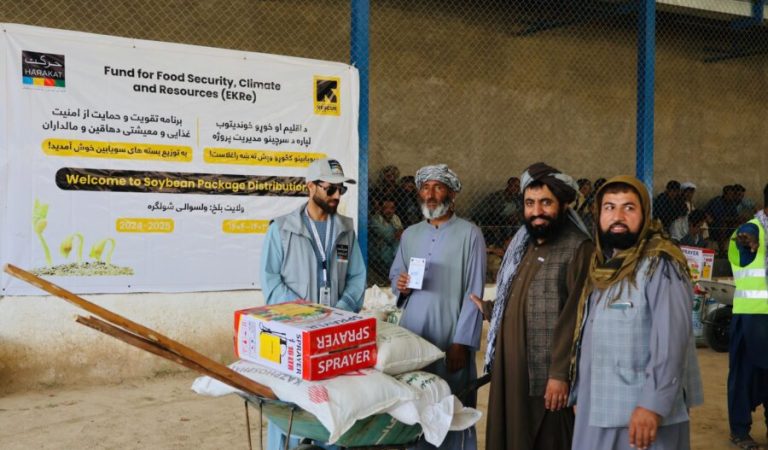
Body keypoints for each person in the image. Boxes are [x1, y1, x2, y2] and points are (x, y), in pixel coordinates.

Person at [570, 175, 703, 450]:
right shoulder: (602, 265)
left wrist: (652, 405)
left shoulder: (661, 263)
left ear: (645, 215)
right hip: (598, 407)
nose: (617, 216)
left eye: (628, 208)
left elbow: (671, 341)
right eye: (609, 207)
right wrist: (582, 393)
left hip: (640, 416)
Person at [469, 162, 593, 450]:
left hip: (547, 380)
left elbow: (578, 318)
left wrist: (560, 375)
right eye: (530, 203)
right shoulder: (526, 244)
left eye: (545, 202)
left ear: (563, 204)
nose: (537, 211)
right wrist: (491, 310)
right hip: (512, 374)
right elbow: (523, 296)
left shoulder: (578, 248)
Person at [260, 157, 366, 450]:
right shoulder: (281, 229)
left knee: (330, 402)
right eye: (330, 189)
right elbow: (270, 281)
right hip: (292, 335)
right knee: (288, 406)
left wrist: (340, 311)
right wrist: (304, 314)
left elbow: (357, 276)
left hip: (331, 334)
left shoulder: (345, 230)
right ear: (310, 187)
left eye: (341, 190)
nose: (336, 196)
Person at [389, 164, 486, 450]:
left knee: (450, 403)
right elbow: (396, 274)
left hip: (449, 336)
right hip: (414, 334)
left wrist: (461, 342)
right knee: (415, 401)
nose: (430, 195)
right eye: (425, 188)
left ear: (451, 195)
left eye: (438, 187)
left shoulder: (470, 234)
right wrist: (401, 284)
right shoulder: (410, 234)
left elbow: (474, 291)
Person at [726, 183, 768, 450]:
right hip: (752, 317)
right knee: (744, 375)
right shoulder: (751, 229)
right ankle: (740, 431)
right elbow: (744, 242)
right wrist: (748, 241)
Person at [471, 176, 523, 247]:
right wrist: (508, 218)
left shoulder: (517, 198)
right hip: (492, 219)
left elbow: (520, 210)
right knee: (506, 229)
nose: (514, 188)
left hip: (507, 220)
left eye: (517, 186)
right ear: (508, 186)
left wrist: (516, 216)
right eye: (511, 185)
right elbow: (493, 213)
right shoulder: (498, 196)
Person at [369, 197, 404, 284]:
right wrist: (396, 232)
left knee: (398, 246)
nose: (389, 211)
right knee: (386, 249)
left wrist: (398, 233)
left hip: (392, 245)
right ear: (380, 208)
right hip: (378, 248)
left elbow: (401, 236)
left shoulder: (395, 217)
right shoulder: (375, 219)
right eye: (385, 208)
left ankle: (395, 275)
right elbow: (389, 235)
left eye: (392, 208)